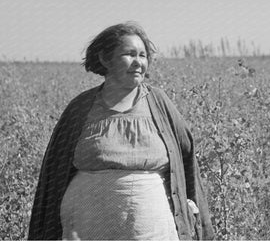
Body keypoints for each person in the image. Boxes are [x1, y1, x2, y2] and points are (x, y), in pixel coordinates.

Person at [28, 22, 214, 240]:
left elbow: (186, 158)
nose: (138, 62)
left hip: (152, 232)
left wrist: (197, 221)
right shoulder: (80, 108)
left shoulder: (160, 103)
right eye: (129, 54)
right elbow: (55, 171)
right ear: (105, 59)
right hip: (84, 229)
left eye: (143, 55)